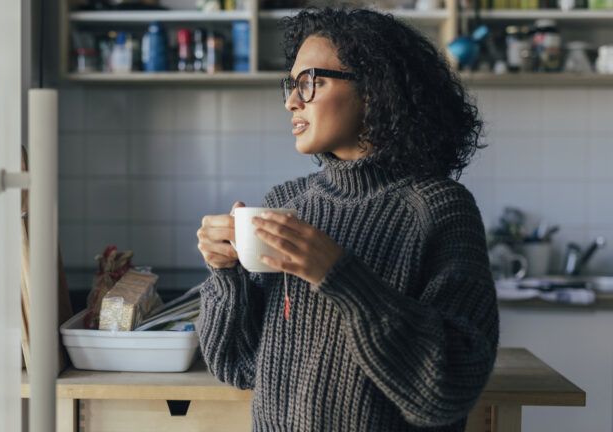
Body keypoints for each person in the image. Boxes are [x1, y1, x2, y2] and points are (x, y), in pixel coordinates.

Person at [195, 8, 498, 432]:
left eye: (309, 82)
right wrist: (226, 274)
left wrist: (339, 275)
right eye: (291, 84)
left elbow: (449, 388)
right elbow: (238, 366)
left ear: (374, 90)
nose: (291, 101)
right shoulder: (287, 203)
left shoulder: (441, 210)